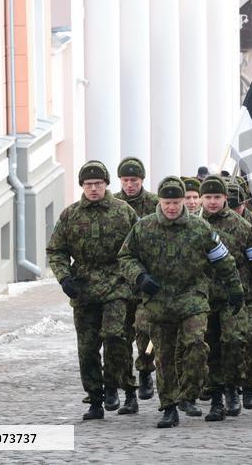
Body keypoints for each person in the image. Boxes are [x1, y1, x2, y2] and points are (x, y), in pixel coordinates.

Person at [118, 176, 245, 429]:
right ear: (160, 202)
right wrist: (140, 277)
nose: (172, 208)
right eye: (167, 203)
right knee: (163, 357)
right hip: (159, 300)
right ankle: (169, 407)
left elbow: (223, 260)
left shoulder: (200, 228)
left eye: (176, 202)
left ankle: (190, 391)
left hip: (192, 297)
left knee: (197, 345)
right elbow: (125, 257)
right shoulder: (144, 228)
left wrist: (235, 288)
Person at [47, 160, 140, 419]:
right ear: (82, 187)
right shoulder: (71, 214)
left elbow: (138, 247)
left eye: (98, 184)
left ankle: (116, 387)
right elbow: (56, 250)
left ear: (106, 184)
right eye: (88, 184)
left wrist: (136, 280)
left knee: (115, 338)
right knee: (87, 348)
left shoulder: (123, 212)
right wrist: (65, 278)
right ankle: (95, 399)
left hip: (117, 284)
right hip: (84, 287)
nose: (93, 189)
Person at [198, 175, 252, 421]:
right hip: (204, 298)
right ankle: (217, 397)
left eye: (217, 197)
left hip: (236, 297)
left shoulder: (243, 227)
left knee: (234, 341)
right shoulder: (193, 225)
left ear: (225, 199)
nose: (212, 202)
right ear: (201, 199)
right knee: (210, 347)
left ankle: (234, 387)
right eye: (208, 197)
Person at [114, 156, 159, 402]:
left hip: (146, 280)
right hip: (119, 282)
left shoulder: (155, 203)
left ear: (142, 180)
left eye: (134, 180)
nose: (130, 184)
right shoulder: (114, 204)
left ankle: (144, 371)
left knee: (143, 329)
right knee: (121, 337)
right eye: (126, 180)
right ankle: (128, 390)